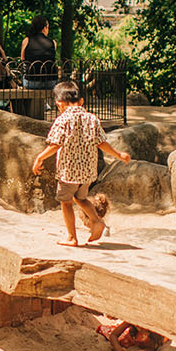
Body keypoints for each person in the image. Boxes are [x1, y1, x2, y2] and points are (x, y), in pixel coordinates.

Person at [31, 80, 131, 246]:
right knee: (81, 198)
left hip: (68, 171)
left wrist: (40, 158)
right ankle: (97, 221)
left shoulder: (62, 120)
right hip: (87, 171)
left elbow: (55, 144)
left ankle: (71, 237)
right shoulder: (91, 119)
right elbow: (101, 142)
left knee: (66, 202)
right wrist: (118, 154)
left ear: (59, 103)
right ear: (81, 101)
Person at [20, 16, 58, 90]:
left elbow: (23, 59)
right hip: (50, 81)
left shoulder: (26, 40)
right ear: (44, 28)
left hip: (32, 82)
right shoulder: (53, 42)